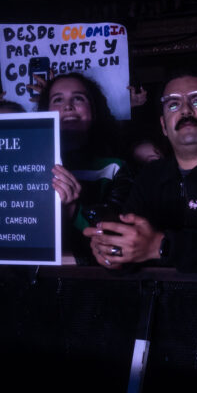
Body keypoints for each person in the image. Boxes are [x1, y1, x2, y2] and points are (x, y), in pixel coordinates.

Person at [83, 72, 197, 274]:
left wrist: (161, 246)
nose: (185, 110)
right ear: (164, 126)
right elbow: (131, 242)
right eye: (173, 104)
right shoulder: (149, 177)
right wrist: (113, 250)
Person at [35, 73, 133, 263]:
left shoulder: (115, 167)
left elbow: (116, 242)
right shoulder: (30, 165)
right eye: (57, 100)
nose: (68, 106)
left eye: (78, 98)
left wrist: (73, 208)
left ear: (94, 111)